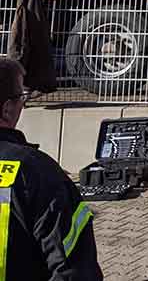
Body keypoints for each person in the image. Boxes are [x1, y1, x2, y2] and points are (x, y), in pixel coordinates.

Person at [0, 56, 103, 279]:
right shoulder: (35, 172)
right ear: (6, 109)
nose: (23, 103)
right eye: (21, 97)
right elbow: (73, 269)